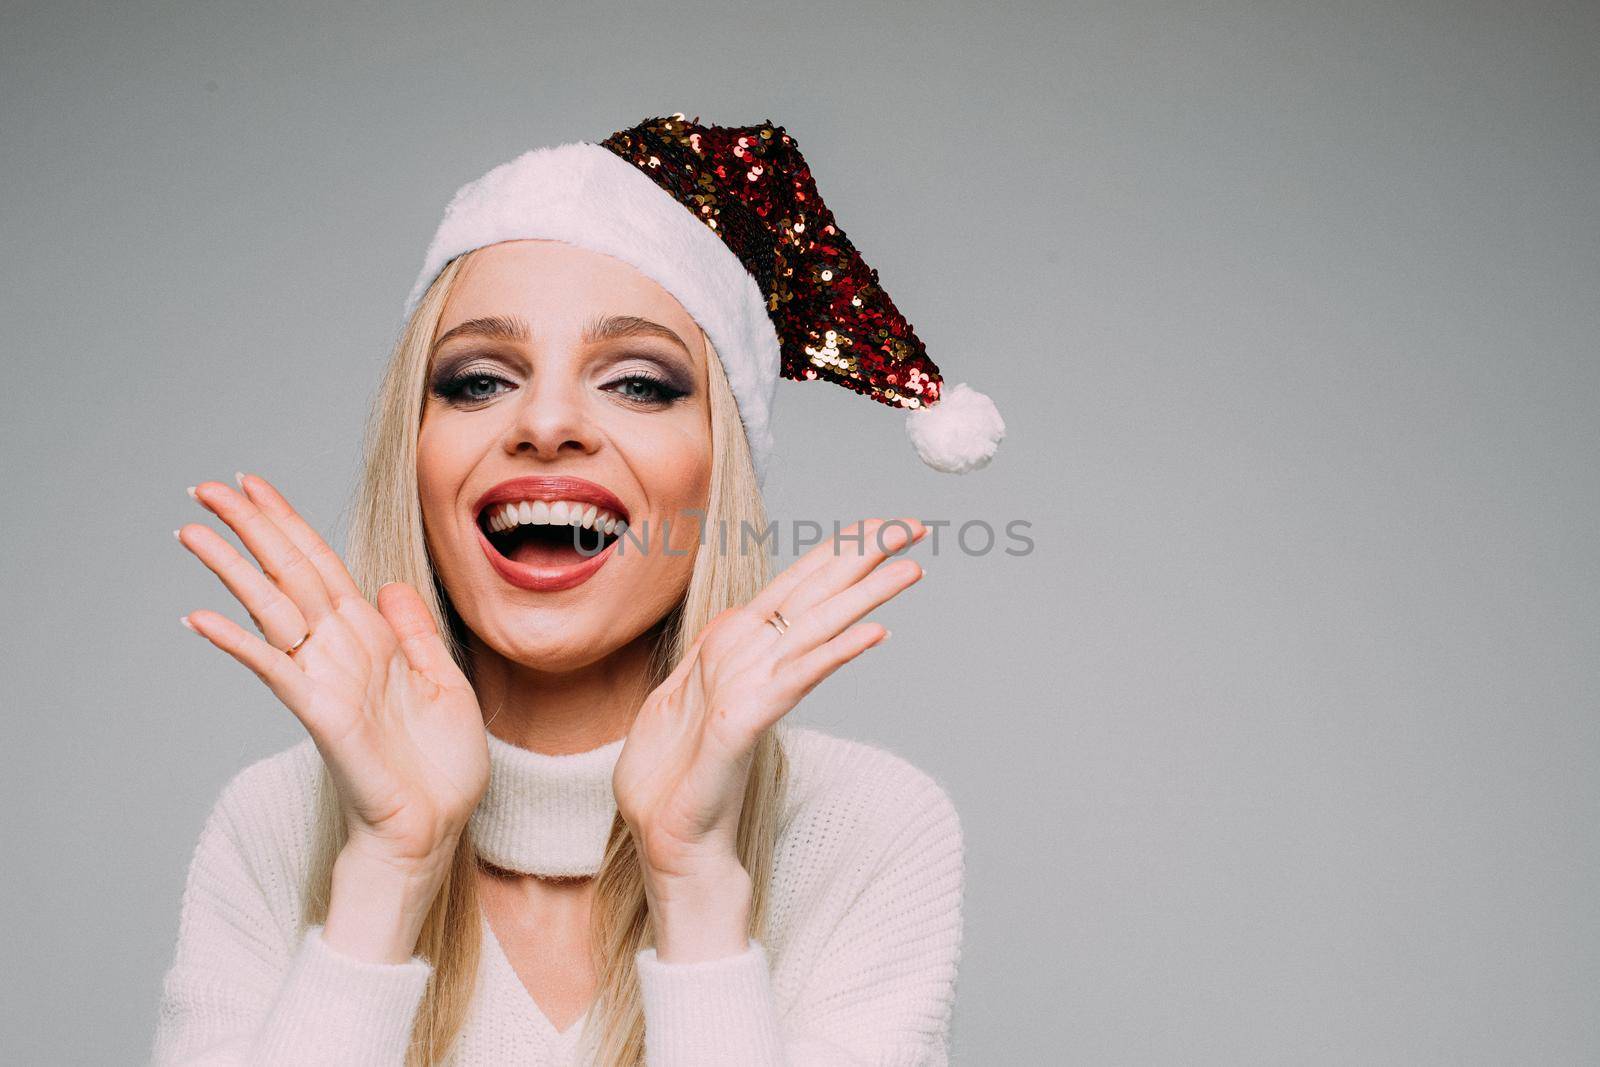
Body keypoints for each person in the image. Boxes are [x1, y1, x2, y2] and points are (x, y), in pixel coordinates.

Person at [151, 114, 1004, 1066]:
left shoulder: (864, 828)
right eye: (477, 381)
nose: (548, 421)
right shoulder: (272, 826)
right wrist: (388, 871)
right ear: (417, 455)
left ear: (719, 468)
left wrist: (693, 882)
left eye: (638, 383)